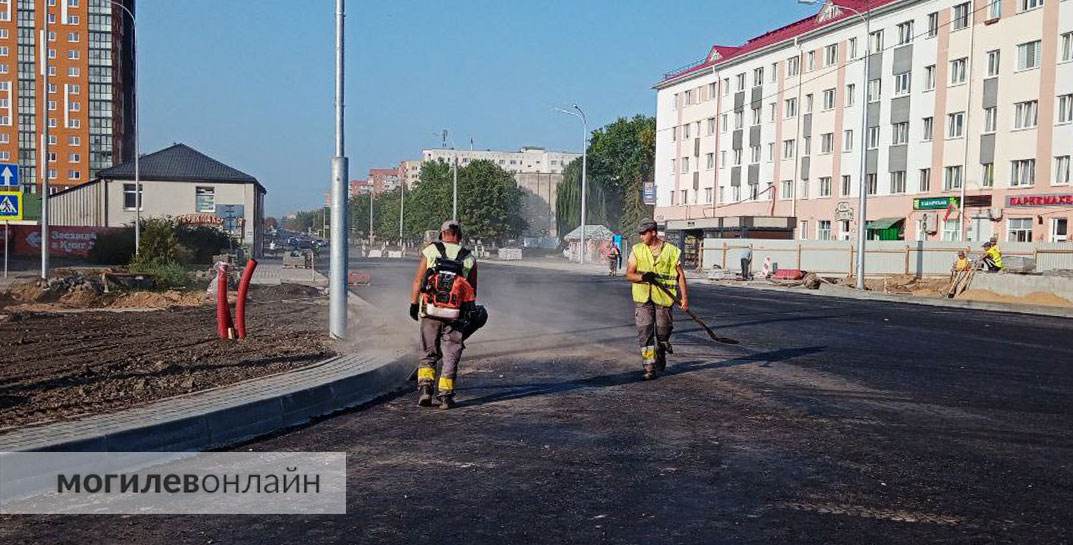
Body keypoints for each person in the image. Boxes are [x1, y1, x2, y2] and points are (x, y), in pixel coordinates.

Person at [409, 220, 478, 409]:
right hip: (455, 314)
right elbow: (471, 291)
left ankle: (425, 390)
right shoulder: (469, 258)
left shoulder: (431, 251)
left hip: (430, 310)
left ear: (442, 234)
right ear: (460, 235)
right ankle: (445, 396)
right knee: (451, 352)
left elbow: (417, 281)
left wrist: (414, 304)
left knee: (428, 351)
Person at [626, 220, 689, 381]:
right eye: (640, 234)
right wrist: (642, 277)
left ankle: (661, 347)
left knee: (663, 331)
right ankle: (649, 367)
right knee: (645, 334)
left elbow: (680, 275)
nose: (641, 237)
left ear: (653, 232)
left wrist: (684, 299)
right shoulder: (637, 250)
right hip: (642, 298)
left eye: (644, 233)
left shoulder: (672, 251)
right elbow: (629, 274)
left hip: (664, 298)